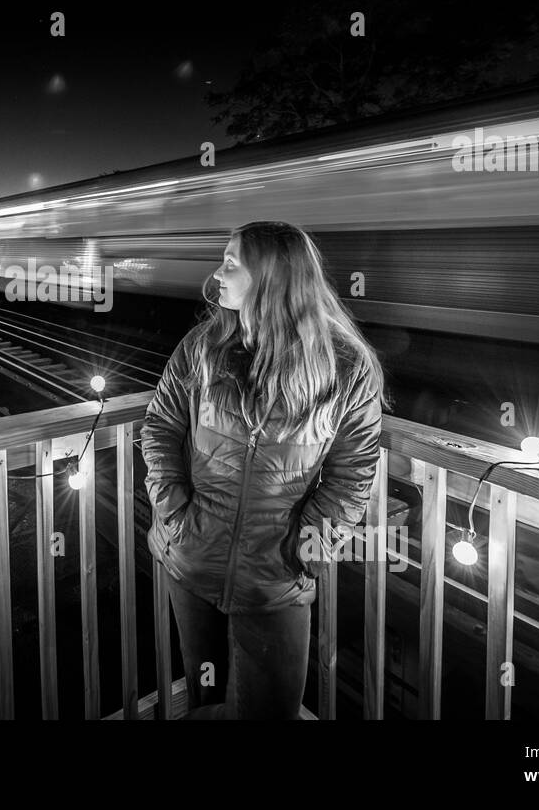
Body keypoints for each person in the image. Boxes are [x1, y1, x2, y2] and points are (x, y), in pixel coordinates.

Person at [141, 221, 385, 719]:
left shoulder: (345, 366)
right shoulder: (202, 345)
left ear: (273, 278)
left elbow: (353, 471)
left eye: (231, 263)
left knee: (271, 709)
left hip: (275, 578)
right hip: (191, 559)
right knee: (207, 699)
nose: (217, 274)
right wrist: (174, 513)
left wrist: (306, 548)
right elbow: (160, 424)